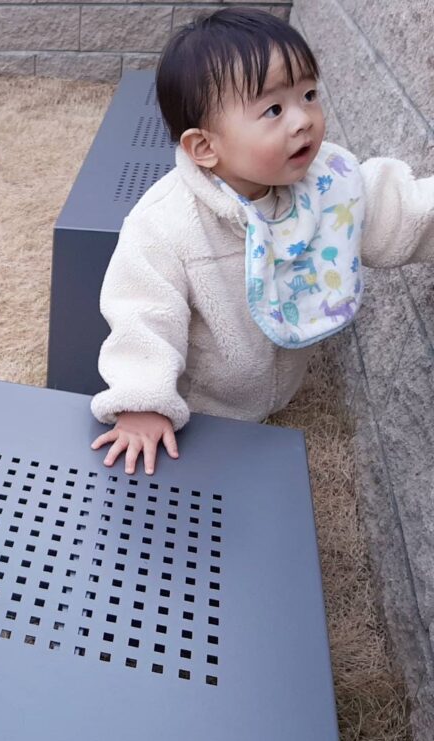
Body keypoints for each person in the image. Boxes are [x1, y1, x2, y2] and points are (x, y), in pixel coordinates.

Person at [90, 7, 434, 475]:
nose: (302, 121)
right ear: (205, 148)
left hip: (278, 390)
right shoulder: (165, 226)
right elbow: (142, 316)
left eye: (308, 94)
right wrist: (142, 402)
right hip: (203, 408)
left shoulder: (326, 185)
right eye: (273, 109)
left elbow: (397, 209)